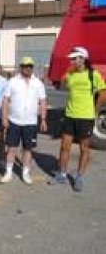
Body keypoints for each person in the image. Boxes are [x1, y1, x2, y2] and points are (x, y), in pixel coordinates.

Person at [51, 47, 106, 191]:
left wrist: (95, 110)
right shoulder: (71, 74)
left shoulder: (93, 74)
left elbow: (102, 93)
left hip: (86, 117)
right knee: (65, 146)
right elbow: (63, 85)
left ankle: (79, 177)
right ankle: (62, 174)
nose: (72, 60)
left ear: (83, 59)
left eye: (75, 58)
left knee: (84, 148)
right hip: (70, 115)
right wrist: (65, 75)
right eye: (72, 58)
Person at [0, 57, 47, 185]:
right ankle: (8, 172)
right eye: (25, 66)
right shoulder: (13, 81)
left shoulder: (38, 83)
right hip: (14, 121)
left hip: (31, 123)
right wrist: (4, 118)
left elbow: (42, 101)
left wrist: (43, 119)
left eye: (30, 66)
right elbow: (5, 100)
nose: (28, 68)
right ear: (21, 67)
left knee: (28, 149)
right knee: (11, 148)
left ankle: (25, 173)